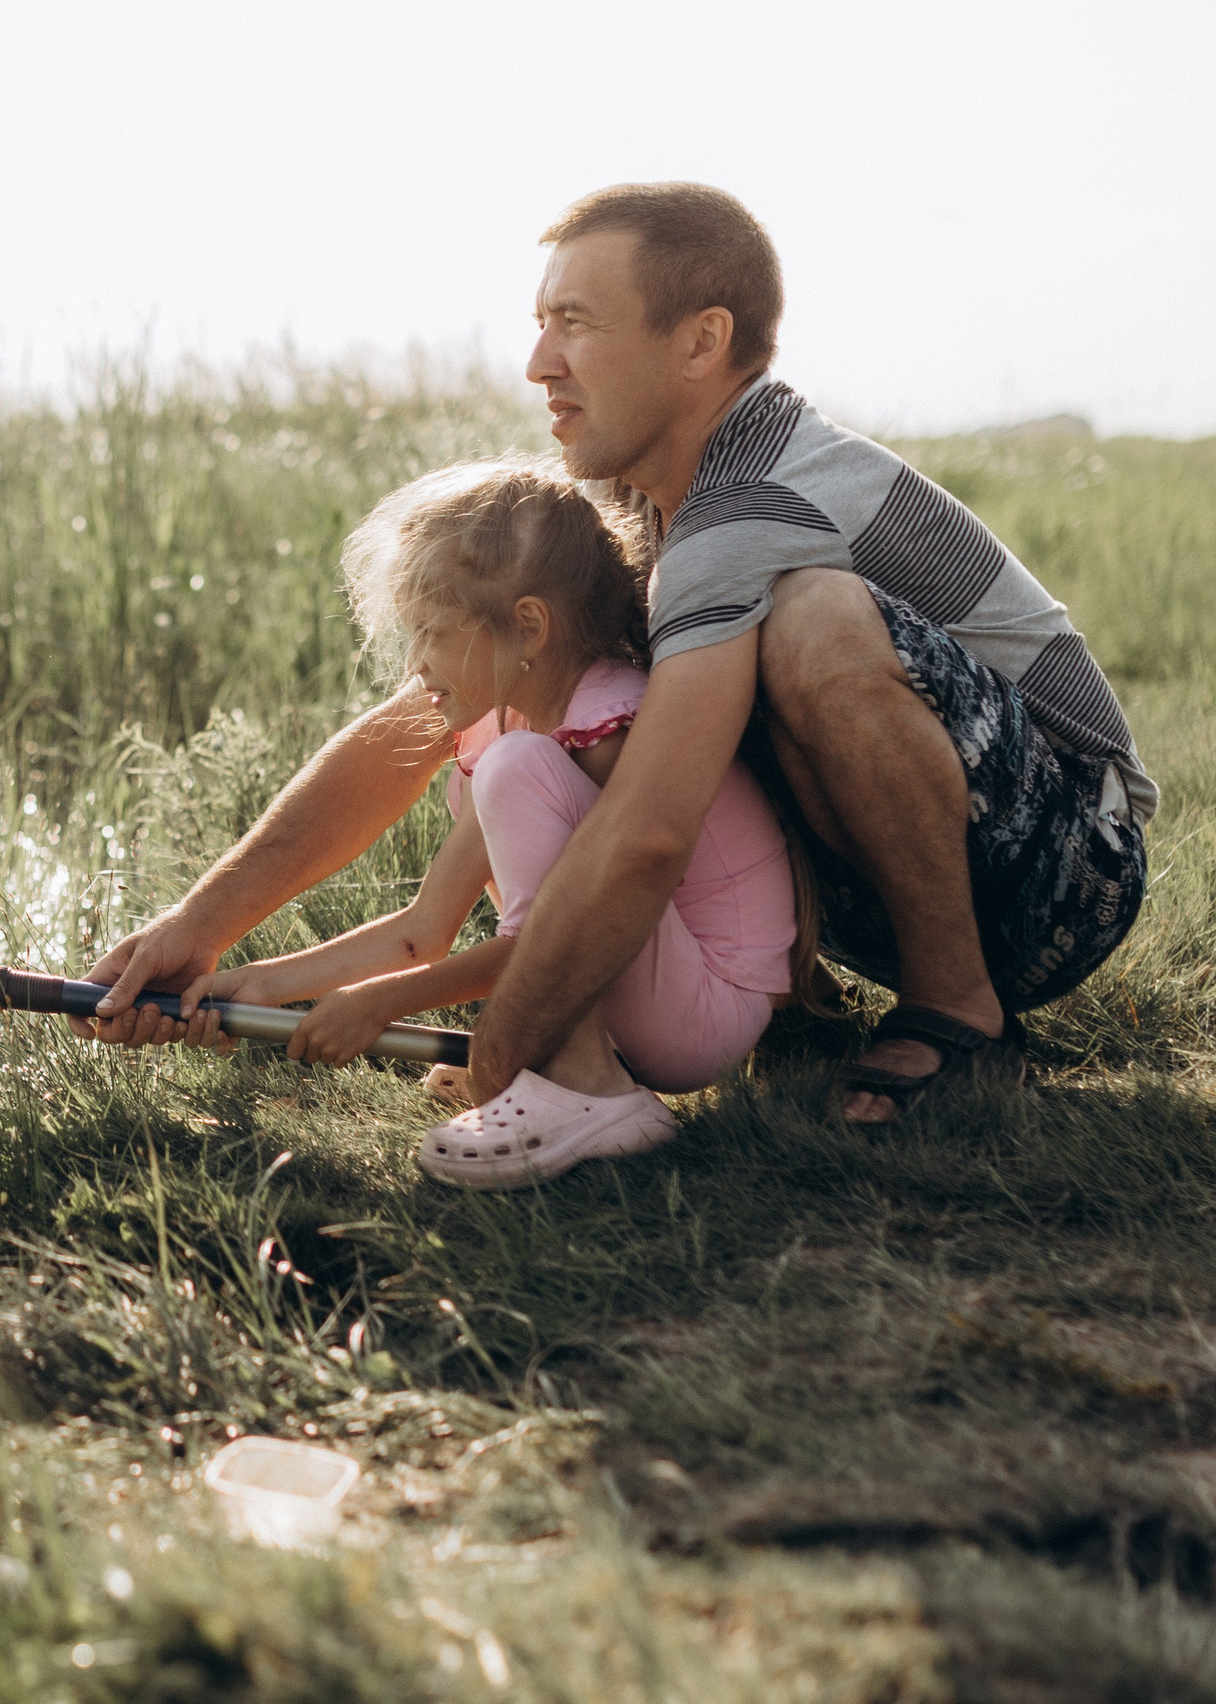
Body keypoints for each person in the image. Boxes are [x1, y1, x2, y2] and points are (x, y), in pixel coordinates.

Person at [82, 182, 1150, 1143]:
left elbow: (646, 831)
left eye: (575, 325)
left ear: (699, 343)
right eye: (540, 324)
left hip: (1063, 870)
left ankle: (955, 1009)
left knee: (812, 619)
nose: (539, 362)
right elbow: (424, 724)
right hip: (913, 861)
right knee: (669, 672)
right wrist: (200, 928)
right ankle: (795, 1000)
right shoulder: (647, 511)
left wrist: (512, 1039)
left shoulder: (752, 505)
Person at [173, 459, 798, 1185]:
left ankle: (588, 1088)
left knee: (509, 772)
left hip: (707, 1010)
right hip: (659, 997)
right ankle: (581, 1075)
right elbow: (423, 929)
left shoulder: (605, 725)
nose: (416, 665)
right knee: (502, 770)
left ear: (528, 626)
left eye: (433, 633)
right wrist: (250, 985)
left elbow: (546, 945)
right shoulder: (521, 738)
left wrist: (378, 1004)